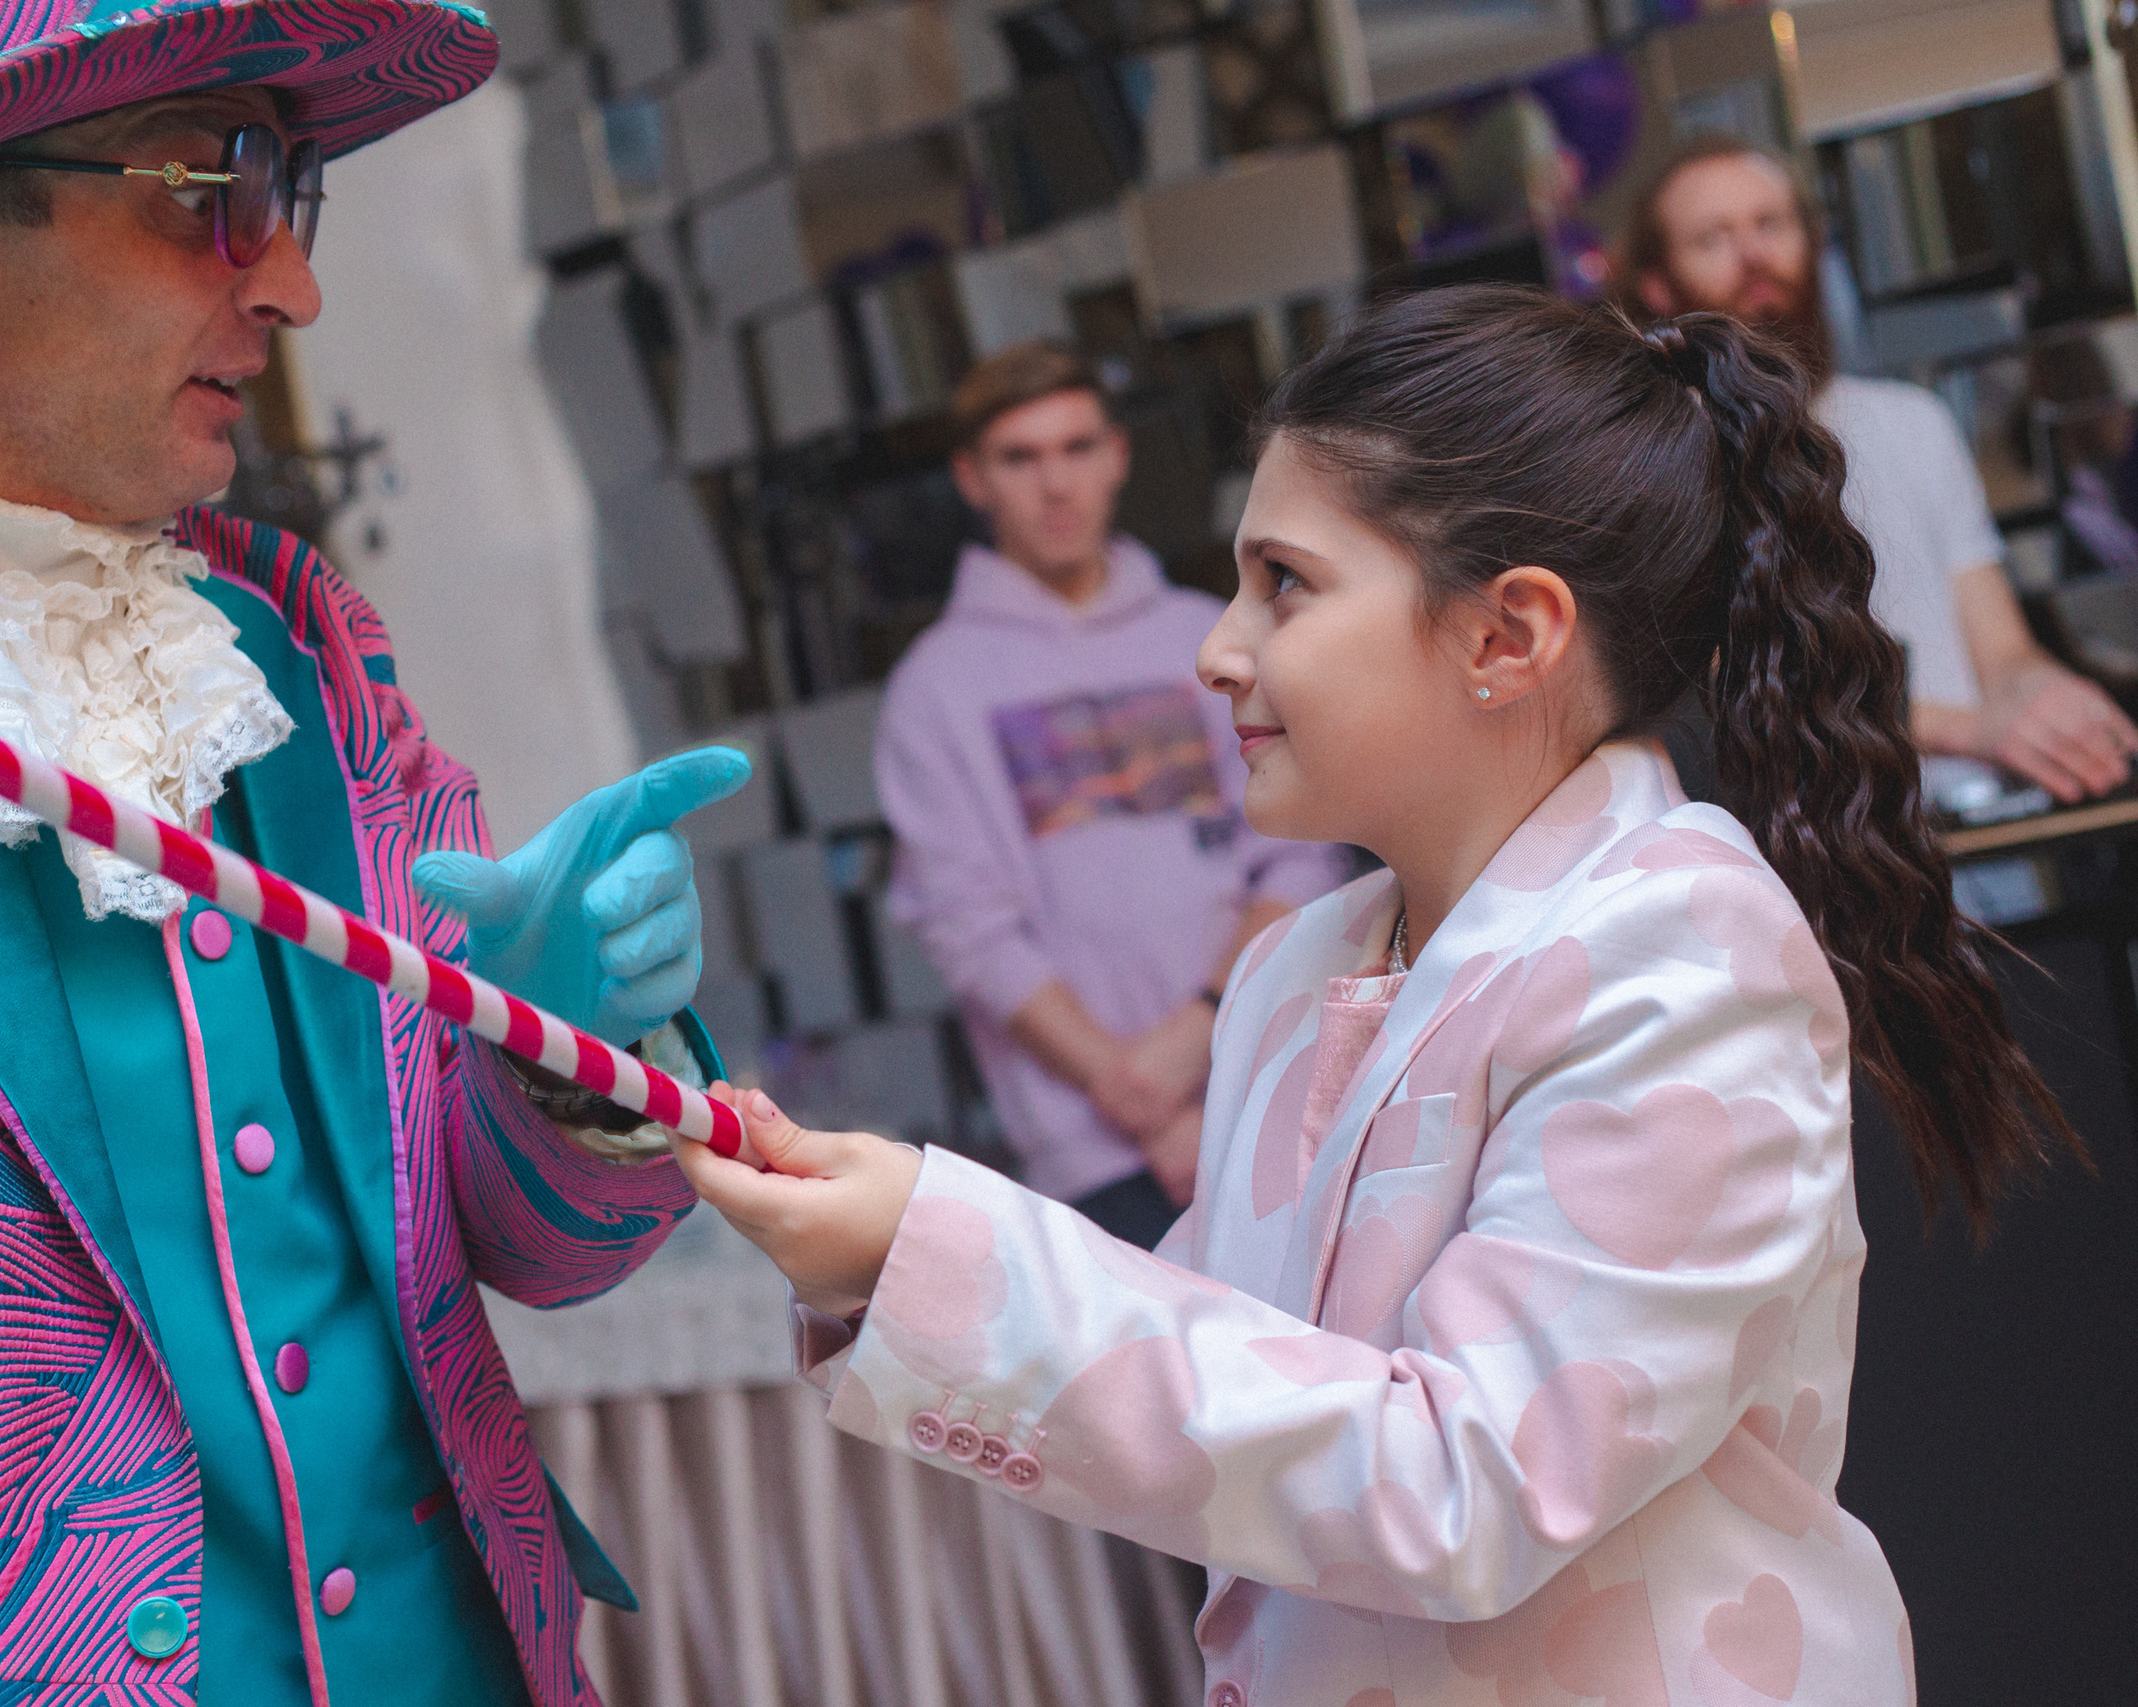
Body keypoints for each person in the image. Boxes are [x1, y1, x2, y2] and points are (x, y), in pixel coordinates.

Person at [674, 286, 2077, 1705]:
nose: (1217, 649)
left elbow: (1467, 1480)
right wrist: (879, 1259)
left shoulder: (1681, 949)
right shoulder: (1298, 964)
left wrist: (938, 1252)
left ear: (1506, 636)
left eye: (1284, 582)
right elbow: (1219, 1366)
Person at [0, 4, 746, 1702]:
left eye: (294, 195)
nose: (293, 287)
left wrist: (563, 1047)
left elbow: (546, 1253)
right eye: (217, 187)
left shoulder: (297, 644)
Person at [874, 341, 1342, 1251]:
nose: (1056, 484)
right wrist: (1138, 1098)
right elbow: (970, 929)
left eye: (1078, 447)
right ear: (972, 478)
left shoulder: (1209, 635)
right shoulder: (933, 688)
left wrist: (1198, 1037)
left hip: (1274, 1089)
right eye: (1020, 457)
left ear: (1118, 455)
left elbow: (1298, 849)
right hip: (1095, 1154)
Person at [1619, 132, 2138, 807]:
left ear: (1813, 244)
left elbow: (2001, 650)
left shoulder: (1913, 420)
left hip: (1985, 816)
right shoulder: (1657, 462)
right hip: (1816, 837)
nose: (1754, 256)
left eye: (1769, 224)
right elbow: (1725, 685)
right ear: (1657, 285)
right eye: (1712, 238)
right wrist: (1973, 729)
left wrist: (2042, 693)